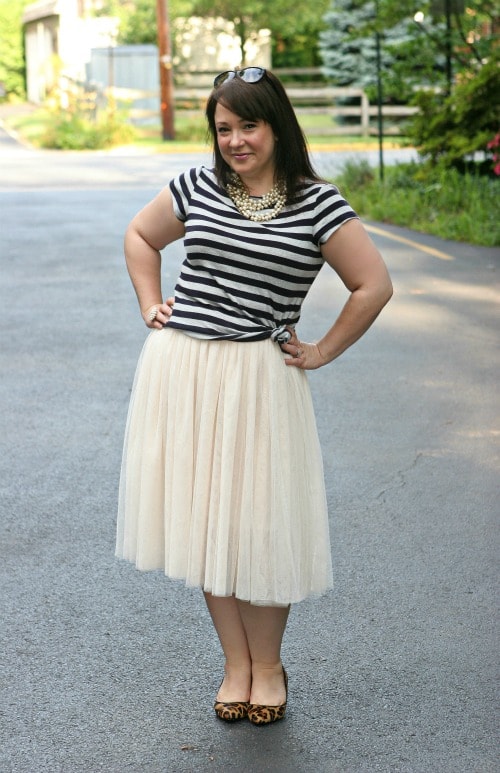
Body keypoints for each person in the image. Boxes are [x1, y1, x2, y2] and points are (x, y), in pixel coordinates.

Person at [116, 67, 392, 726]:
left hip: (261, 381)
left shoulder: (318, 203)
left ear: (276, 125)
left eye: (248, 125)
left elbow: (373, 285)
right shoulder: (198, 186)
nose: (235, 140)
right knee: (206, 520)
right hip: (184, 371)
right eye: (223, 128)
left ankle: (269, 666)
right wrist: (151, 303)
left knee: (259, 524)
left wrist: (322, 350)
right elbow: (139, 237)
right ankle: (235, 663)